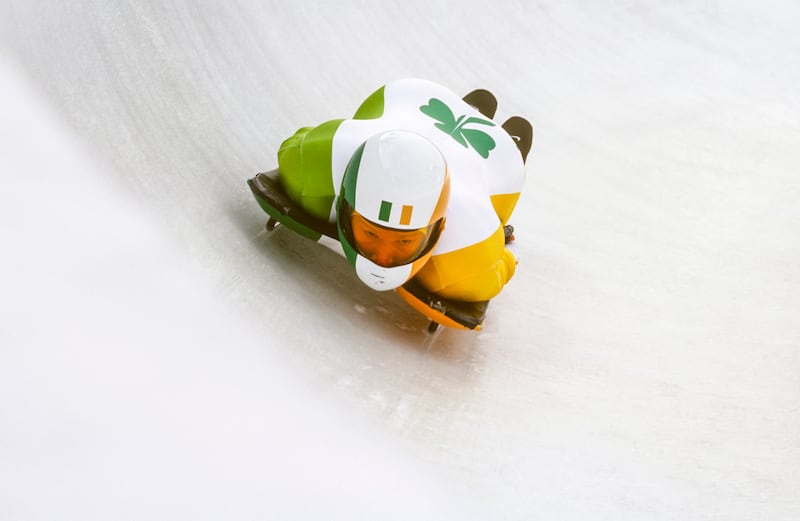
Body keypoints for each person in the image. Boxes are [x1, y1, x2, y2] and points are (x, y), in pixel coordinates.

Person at [276, 78, 531, 309]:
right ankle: (491, 128)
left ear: (439, 228)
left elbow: (500, 266)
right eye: (371, 233)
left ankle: (504, 139)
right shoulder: (312, 166)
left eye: (403, 242)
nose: (383, 258)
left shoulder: (466, 258)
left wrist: (504, 245)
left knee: (505, 177)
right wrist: (508, 248)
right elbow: (300, 146)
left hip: (499, 159)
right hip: (408, 98)